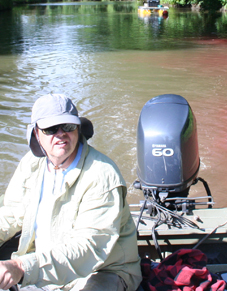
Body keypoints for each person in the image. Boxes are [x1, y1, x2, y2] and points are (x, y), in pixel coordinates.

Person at [0, 94, 142, 291]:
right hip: (46, 267)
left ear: (78, 129)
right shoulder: (31, 165)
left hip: (100, 271)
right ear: (35, 133)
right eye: (50, 129)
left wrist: (22, 267)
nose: (60, 134)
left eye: (67, 126)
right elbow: (12, 212)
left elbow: (89, 248)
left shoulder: (102, 175)